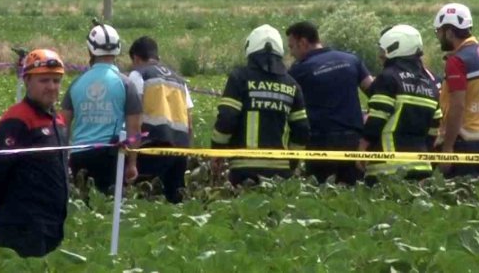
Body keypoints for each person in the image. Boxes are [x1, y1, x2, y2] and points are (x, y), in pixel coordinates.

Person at [0, 48, 70, 258]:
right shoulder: (17, 120)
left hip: (51, 223)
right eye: (44, 81)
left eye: (56, 81)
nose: (51, 87)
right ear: (27, 81)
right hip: (22, 224)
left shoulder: (57, 121)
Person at [210, 24, 310, 186]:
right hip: (280, 171)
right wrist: (292, 161)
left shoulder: (240, 78)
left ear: (250, 50)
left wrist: (217, 150)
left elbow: (227, 118)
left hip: (244, 169)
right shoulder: (292, 85)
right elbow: (302, 129)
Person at [285, 21, 373, 185]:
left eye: (292, 47)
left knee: (322, 199)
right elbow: (375, 92)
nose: (291, 53)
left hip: (320, 144)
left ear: (303, 43)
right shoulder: (351, 59)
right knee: (354, 198)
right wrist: (370, 118)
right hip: (353, 142)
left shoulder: (299, 70)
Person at [61, 22, 142, 194]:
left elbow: (63, 126)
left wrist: (63, 159)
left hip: (78, 157)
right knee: (109, 212)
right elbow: (134, 129)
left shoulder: (76, 84)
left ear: (90, 50)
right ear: (118, 48)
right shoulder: (126, 84)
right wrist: (133, 164)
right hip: (110, 157)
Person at [358, 25, 442, 183]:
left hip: (388, 169)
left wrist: (362, 148)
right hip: (422, 168)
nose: (380, 56)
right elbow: (434, 129)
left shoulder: (388, 78)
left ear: (394, 47)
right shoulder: (429, 83)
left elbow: (377, 118)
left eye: (383, 51)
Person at [433, 2, 479, 178]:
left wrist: (447, 148)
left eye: (438, 32)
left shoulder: (457, 61)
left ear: (449, 32)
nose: (438, 37)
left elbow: (458, 106)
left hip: (465, 146)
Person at [127, 36, 194, 204]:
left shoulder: (138, 75)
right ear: (157, 56)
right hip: (180, 148)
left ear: (136, 58)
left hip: (151, 147)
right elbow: (189, 123)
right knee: (175, 202)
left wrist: (131, 155)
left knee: (147, 202)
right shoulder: (179, 80)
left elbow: (134, 115)